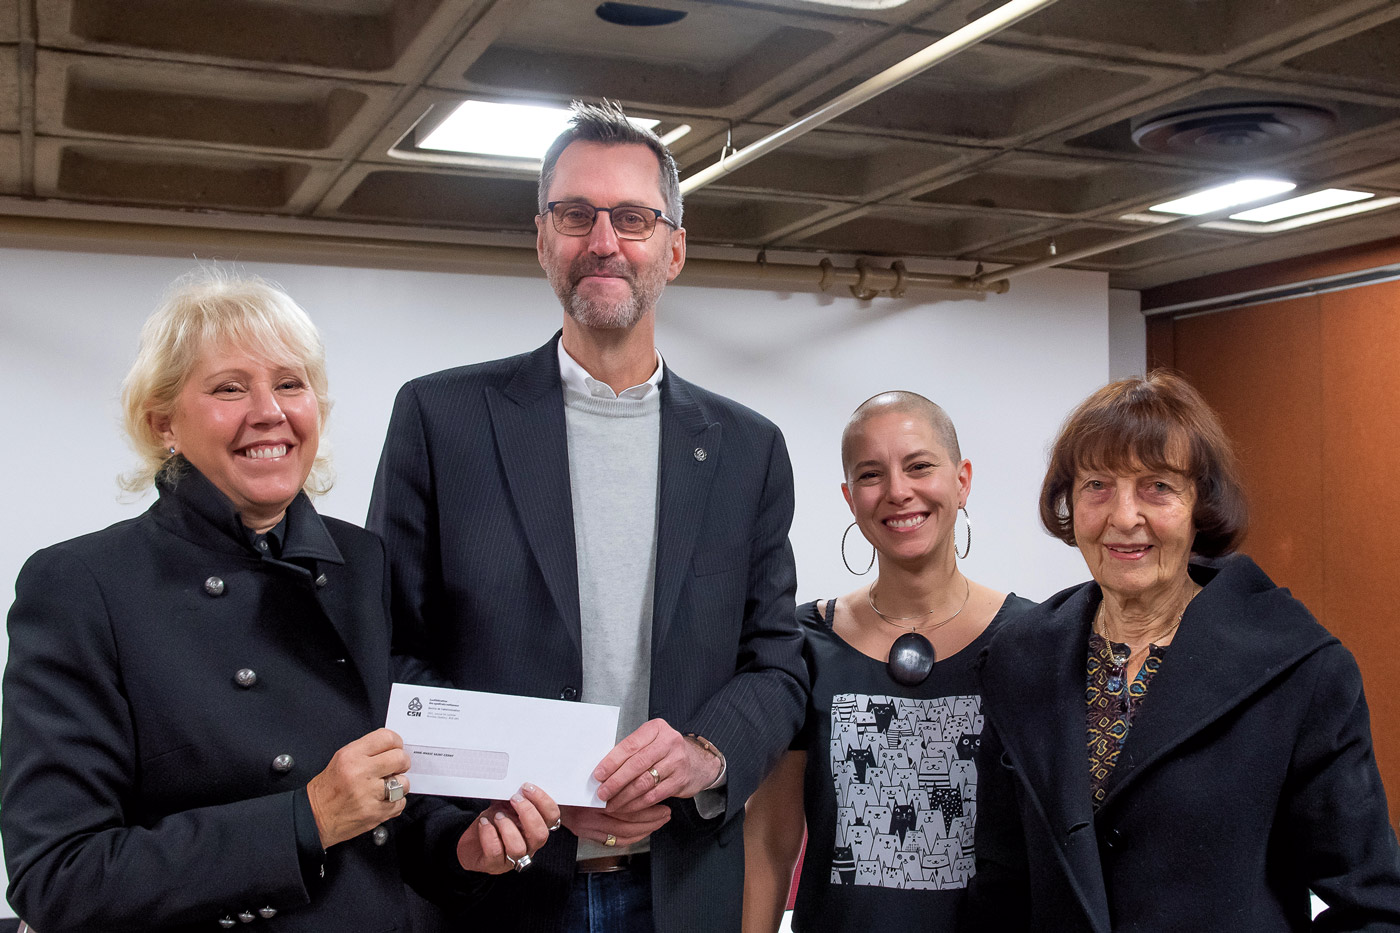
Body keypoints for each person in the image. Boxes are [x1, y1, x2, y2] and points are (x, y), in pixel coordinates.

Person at [0, 273, 560, 932]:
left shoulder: (359, 563)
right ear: (164, 422)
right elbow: (59, 877)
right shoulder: (81, 584)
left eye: (290, 384)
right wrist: (307, 818)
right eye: (229, 387)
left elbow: (383, 800)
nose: (269, 410)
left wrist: (459, 848)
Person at [367, 100, 806, 933]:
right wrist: (530, 782)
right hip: (500, 885)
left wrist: (702, 756)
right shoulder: (441, 420)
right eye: (577, 214)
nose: (603, 240)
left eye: (633, 218)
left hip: (679, 889)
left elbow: (777, 661)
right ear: (543, 239)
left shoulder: (749, 450)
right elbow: (390, 649)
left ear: (673, 249)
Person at [964, 371, 1400, 932]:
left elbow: (1372, 906)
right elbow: (1002, 885)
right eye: (1097, 484)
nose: (1123, 517)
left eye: (1158, 486)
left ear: (1202, 506)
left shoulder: (1300, 670)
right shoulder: (1019, 658)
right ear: (1068, 503)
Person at [742, 391, 1031, 933]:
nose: (899, 492)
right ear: (850, 498)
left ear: (962, 479)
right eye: (872, 475)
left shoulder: (1034, 641)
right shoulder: (802, 642)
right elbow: (770, 841)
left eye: (919, 466)